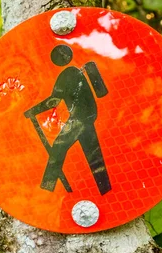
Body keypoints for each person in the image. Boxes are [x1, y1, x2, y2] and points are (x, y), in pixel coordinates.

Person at [24, 44, 111, 195]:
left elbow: (54, 101)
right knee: (94, 155)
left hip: (78, 120)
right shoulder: (78, 71)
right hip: (89, 118)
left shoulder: (66, 75)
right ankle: (106, 191)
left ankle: (46, 190)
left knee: (58, 148)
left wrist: (32, 111)